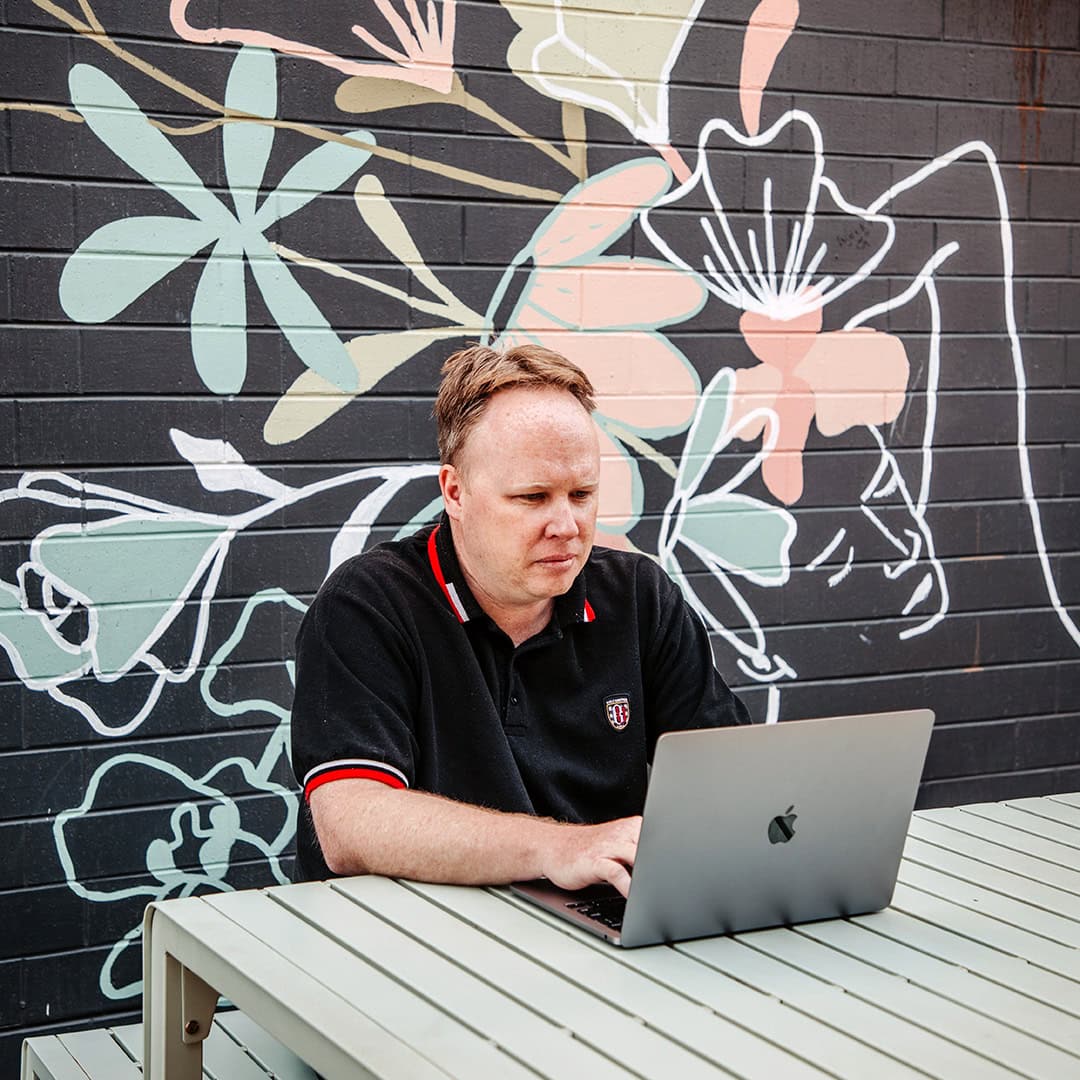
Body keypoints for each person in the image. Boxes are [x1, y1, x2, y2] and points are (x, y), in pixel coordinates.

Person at [290, 344, 751, 894]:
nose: (567, 525)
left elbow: (732, 783)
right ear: (455, 492)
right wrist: (562, 847)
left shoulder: (639, 597)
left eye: (582, 494)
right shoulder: (369, 604)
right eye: (533, 497)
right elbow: (351, 824)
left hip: (597, 929)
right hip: (413, 937)